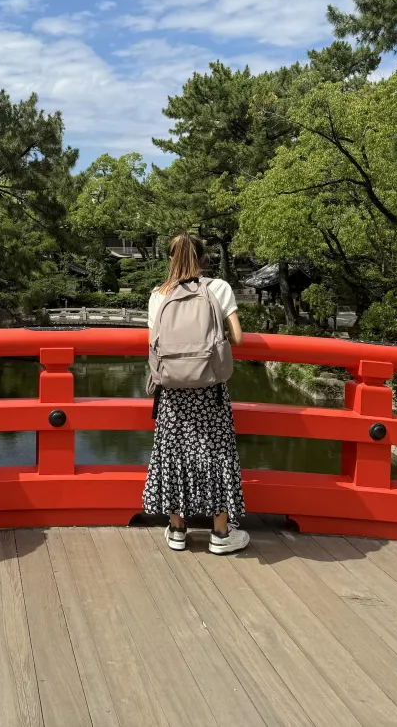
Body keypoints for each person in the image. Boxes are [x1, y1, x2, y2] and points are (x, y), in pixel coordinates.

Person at [142, 233, 250, 555]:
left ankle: (177, 530)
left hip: (172, 393)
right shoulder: (218, 289)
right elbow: (239, 338)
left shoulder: (158, 295)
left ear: (171, 260)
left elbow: (153, 345)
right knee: (216, 456)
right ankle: (220, 534)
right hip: (210, 391)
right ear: (203, 259)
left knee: (173, 456)